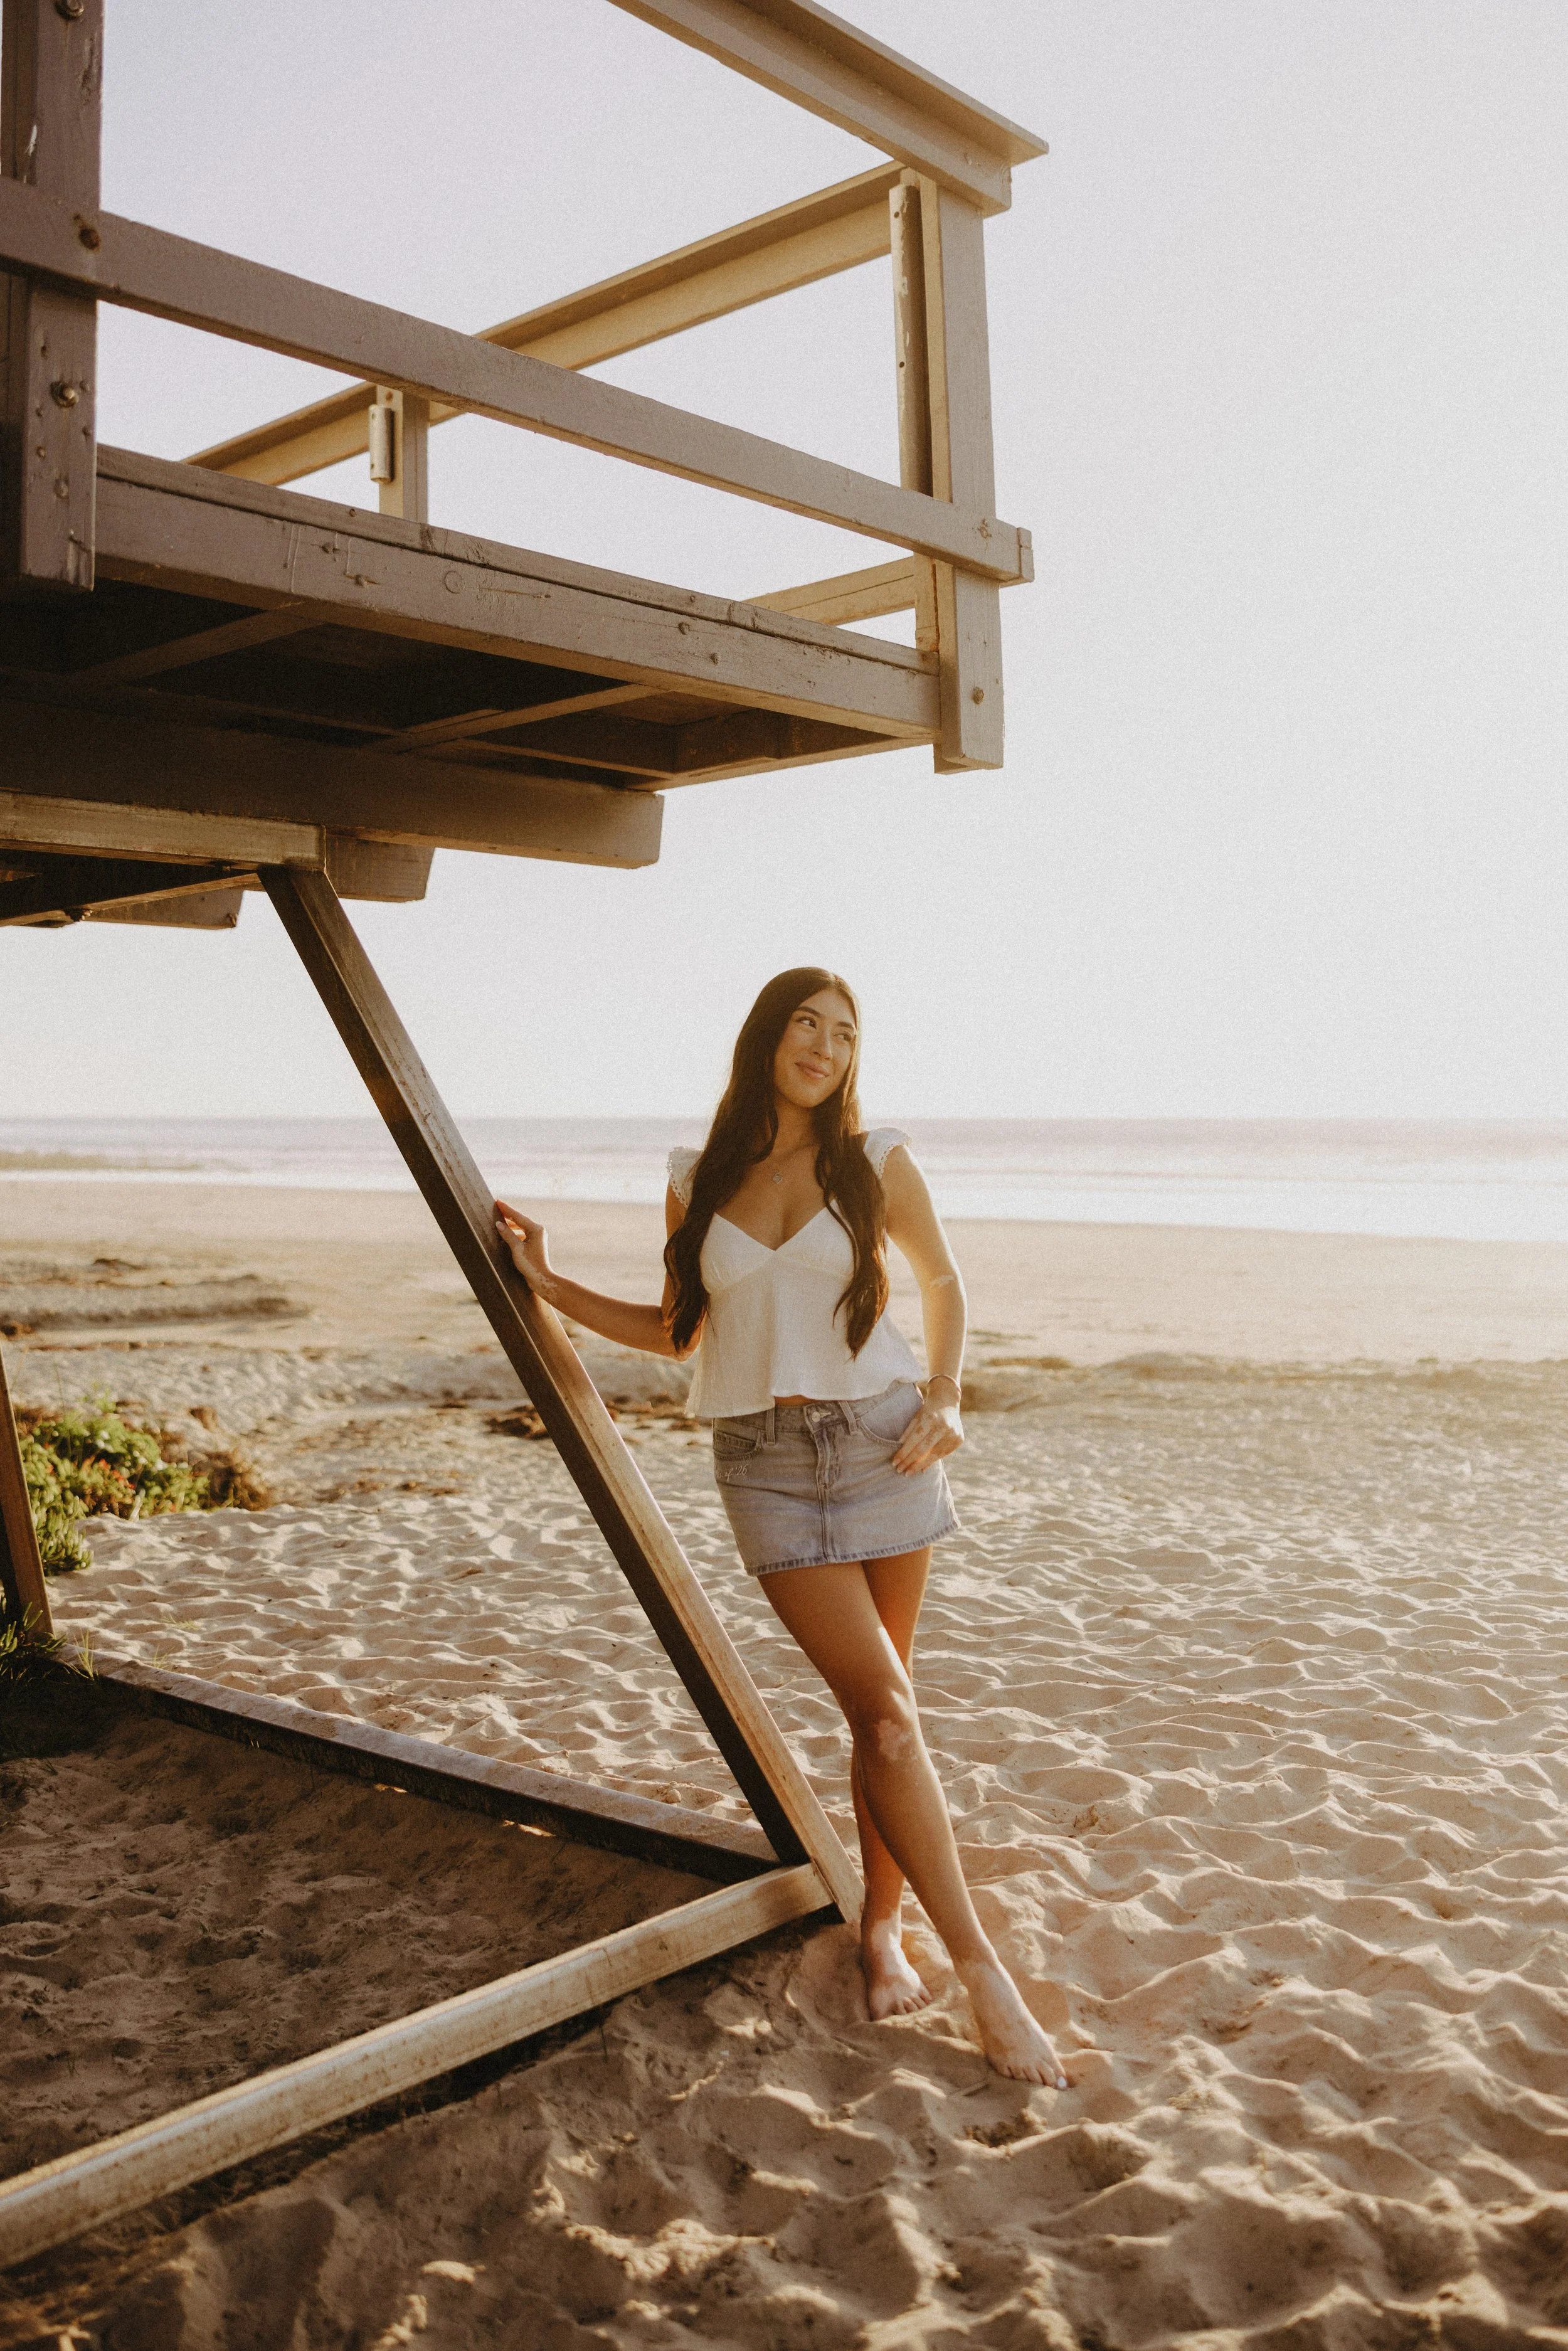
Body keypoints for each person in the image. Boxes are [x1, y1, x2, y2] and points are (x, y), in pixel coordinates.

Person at [496, 967, 1066, 2087]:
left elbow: (943, 1280)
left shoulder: (875, 1160)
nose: (824, 1046)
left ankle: (890, 1933)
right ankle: (978, 1967)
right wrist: (548, 1284)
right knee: (884, 1707)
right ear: (768, 1037)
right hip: (764, 1466)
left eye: (845, 1034)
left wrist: (948, 1395)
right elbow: (681, 1330)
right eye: (807, 1024)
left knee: (886, 1714)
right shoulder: (696, 1177)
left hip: (885, 1443)